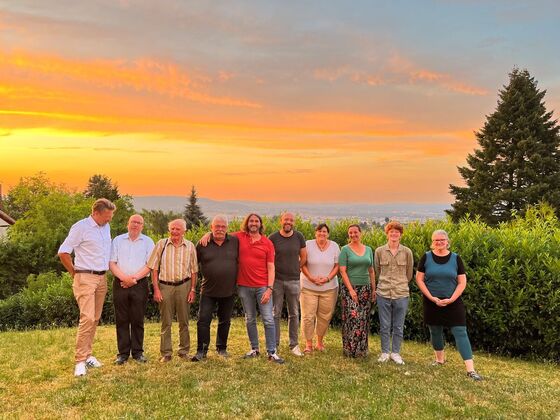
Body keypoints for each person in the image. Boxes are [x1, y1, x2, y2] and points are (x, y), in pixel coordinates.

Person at [199, 213, 284, 363]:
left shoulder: (267, 243)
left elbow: (271, 267)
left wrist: (270, 288)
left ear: (260, 224)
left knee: (268, 319)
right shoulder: (239, 237)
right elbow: (220, 233)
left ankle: (272, 352)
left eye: (256, 221)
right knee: (250, 318)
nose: (253, 223)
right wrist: (207, 233)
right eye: (251, 221)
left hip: (263, 287)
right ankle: (254, 349)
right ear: (247, 223)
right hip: (244, 287)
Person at [58, 198, 116, 377]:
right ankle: (80, 361)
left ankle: (88, 355)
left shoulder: (105, 227)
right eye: (107, 216)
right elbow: (63, 252)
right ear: (96, 213)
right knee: (87, 318)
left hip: (101, 278)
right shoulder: (80, 227)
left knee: (95, 318)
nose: (109, 220)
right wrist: (74, 273)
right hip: (85, 277)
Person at [415, 229, 482, 381]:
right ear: (433, 242)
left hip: (453, 302)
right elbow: (419, 279)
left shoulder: (456, 258)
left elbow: (462, 281)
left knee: (460, 332)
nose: (439, 242)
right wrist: (431, 297)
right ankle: (439, 360)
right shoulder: (426, 257)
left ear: (447, 241)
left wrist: (452, 299)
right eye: (436, 240)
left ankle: (470, 370)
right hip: (431, 301)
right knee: (435, 330)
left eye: (442, 240)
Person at [147, 219, 198, 362]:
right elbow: (154, 268)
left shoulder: (190, 246)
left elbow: (194, 271)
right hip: (165, 286)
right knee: (166, 321)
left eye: (178, 229)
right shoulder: (161, 244)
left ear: (184, 231)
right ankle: (166, 353)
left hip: (184, 286)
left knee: (184, 320)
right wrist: (156, 289)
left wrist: (192, 289)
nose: (175, 231)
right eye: (172, 229)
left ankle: (184, 351)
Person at [192, 215, 238, 361]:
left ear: (227, 228)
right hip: (208, 290)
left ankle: (221, 348)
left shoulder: (235, 241)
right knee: (203, 320)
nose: (220, 229)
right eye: (217, 226)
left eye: (223, 227)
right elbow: (193, 266)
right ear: (211, 228)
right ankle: (201, 351)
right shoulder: (202, 243)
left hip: (229, 290)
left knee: (225, 320)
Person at [109, 214, 154, 365]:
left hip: (140, 284)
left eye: (139, 223)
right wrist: (125, 279)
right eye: (133, 222)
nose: (135, 225)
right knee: (121, 319)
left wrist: (133, 279)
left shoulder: (148, 242)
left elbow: (150, 265)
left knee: (137, 318)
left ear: (142, 226)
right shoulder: (117, 240)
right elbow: (112, 263)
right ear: (127, 224)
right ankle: (122, 353)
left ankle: (137, 352)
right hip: (120, 283)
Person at [374, 221, 414, 365]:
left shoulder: (407, 252)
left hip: (401, 293)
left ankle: (395, 353)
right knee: (384, 325)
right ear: (387, 233)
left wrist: (400, 284)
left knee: (398, 325)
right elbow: (377, 271)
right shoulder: (379, 251)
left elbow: (409, 273)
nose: (394, 234)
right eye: (391, 231)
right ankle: (385, 352)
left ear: (401, 235)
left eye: (397, 232)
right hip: (383, 292)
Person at [269, 212, 306, 356]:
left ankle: (294, 345)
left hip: (294, 280)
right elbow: (269, 259)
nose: (288, 222)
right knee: (275, 313)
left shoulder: (299, 237)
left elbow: (304, 257)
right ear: (281, 221)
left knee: (294, 313)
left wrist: (296, 268)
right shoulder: (273, 238)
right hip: (276, 280)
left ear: (293, 222)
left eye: (291, 220)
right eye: (286, 219)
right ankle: (274, 344)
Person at [300, 223, 340, 353]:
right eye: (319, 231)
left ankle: (320, 342)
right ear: (315, 233)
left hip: (329, 288)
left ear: (328, 234)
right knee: (308, 316)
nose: (322, 233)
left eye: (324, 231)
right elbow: (302, 263)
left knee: (325, 316)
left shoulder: (334, 246)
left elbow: (337, 266)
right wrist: (311, 277)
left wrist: (327, 278)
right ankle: (308, 344)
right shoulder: (307, 244)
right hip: (308, 286)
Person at [338, 224, 376, 358]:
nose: (353, 235)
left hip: (365, 288)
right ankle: (350, 349)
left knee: (364, 319)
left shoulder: (369, 249)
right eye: (350, 233)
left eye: (355, 232)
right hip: (350, 288)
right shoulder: (345, 250)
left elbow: (371, 271)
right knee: (352, 318)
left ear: (361, 233)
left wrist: (373, 289)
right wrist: (351, 290)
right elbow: (342, 271)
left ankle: (362, 350)